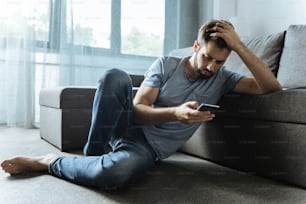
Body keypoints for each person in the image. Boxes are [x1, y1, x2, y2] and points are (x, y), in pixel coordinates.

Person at [1, 19, 282, 190]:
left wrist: (240, 46)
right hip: (125, 124)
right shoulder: (167, 64)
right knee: (115, 76)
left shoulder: (224, 79)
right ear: (196, 47)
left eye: (219, 61)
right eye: (207, 57)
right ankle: (93, 152)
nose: (211, 66)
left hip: (146, 148)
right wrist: (175, 113)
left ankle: (48, 162)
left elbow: (271, 87)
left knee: (115, 175)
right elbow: (137, 110)